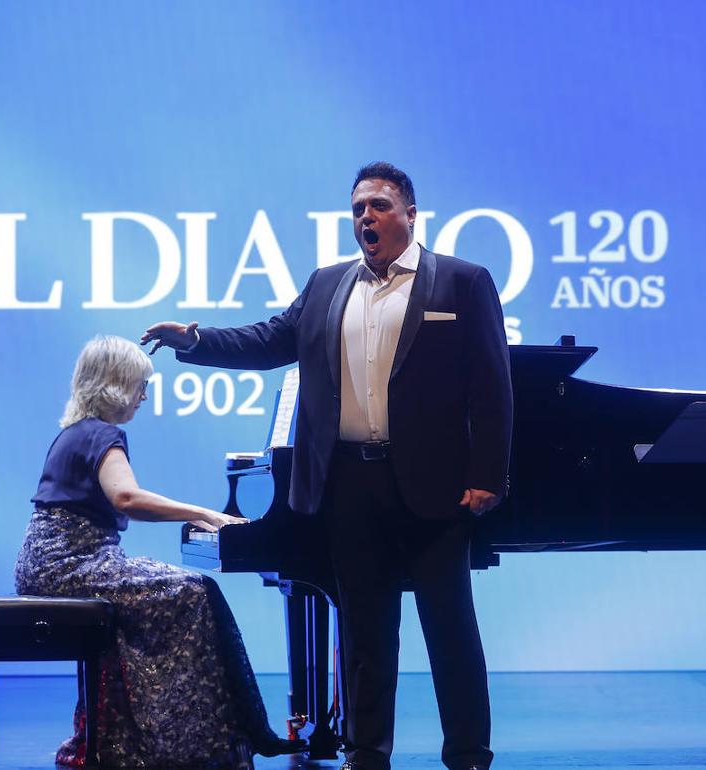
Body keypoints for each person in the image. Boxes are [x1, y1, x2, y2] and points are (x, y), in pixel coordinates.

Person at [141, 162, 512, 770]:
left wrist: (487, 475)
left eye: (380, 206)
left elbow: (493, 388)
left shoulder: (462, 283)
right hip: (349, 485)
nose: (367, 216)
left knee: (450, 630)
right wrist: (195, 340)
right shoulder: (326, 285)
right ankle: (367, 755)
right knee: (364, 635)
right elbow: (266, 341)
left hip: (435, 487)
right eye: (359, 208)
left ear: (411, 215)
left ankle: (468, 755)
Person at [14, 335, 304, 769]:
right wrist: (207, 514)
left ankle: (131, 741)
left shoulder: (77, 431)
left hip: (54, 560)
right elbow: (126, 498)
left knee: (189, 589)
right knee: (192, 593)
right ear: (115, 383)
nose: (145, 396)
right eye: (140, 385)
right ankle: (192, 744)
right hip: (70, 562)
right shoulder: (102, 433)